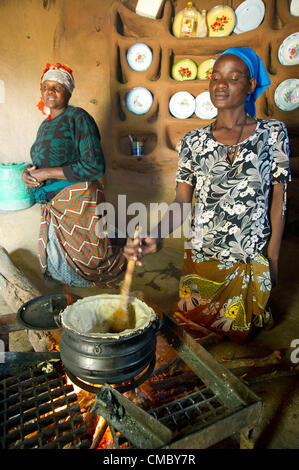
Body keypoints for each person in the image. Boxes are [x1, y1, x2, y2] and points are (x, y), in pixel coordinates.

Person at [124, 48, 291, 344]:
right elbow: (181, 203)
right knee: (192, 330)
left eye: (233, 77)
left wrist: (273, 259)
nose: (221, 84)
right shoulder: (193, 141)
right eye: (215, 77)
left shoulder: (273, 133)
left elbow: (279, 198)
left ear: (251, 85)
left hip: (250, 259)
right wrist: (156, 234)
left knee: (243, 333)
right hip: (204, 259)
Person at [22, 63, 126, 288]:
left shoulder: (78, 118)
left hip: (77, 198)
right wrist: (28, 173)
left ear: (68, 92)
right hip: (52, 199)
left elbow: (95, 167)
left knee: (92, 257)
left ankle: (96, 283)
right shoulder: (44, 125)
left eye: (57, 87)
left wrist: (46, 173)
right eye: (46, 87)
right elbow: (43, 162)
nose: (50, 92)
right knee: (60, 261)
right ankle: (70, 291)